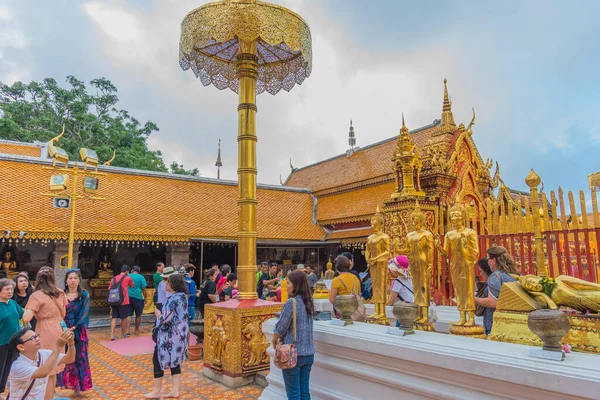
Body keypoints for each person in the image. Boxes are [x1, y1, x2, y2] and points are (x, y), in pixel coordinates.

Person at [22, 266, 68, 400]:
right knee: (53, 370)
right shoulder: (60, 292)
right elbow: (64, 313)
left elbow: (26, 318)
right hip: (59, 329)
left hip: (45, 330)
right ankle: (51, 396)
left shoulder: (36, 295)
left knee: (46, 368)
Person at [272, 271, 316, 400]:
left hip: (293, 354)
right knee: (304, 392)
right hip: (308, 353)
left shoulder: (292, 302)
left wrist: (274, 340)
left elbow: (281, 327)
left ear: (296, 285)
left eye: (288, 282)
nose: (286, 286)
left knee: (293, 393)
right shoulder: (308, 301)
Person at [144, 274, 189, 399]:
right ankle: (175, 390)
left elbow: (165, 319)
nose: (165, 284)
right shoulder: (183, 296)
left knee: (157, 360)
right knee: (175, 362)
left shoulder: (172, 299)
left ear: (173, 284)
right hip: (180, 335)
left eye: (168, 282)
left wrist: (158, 314)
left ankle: (157, 390)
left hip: (169, 337)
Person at [8, 329, 76, 400]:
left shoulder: (43, 354)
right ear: (21, 347)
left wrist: (71, 344)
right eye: (32, 338)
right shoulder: (17, 365)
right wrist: (58, 347)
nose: (37, 339)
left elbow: (69, 359)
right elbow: (42, 373)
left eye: (36, 336)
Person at [474, 246, 519, 335]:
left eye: (488, 259)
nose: (488, 262)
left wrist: (473, 299)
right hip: (513, 318)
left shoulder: (495, 276)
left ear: (494, 260)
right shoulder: (515, 273)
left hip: (495, 320)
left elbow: (493, 302)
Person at [63, 269, 92, 397]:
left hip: (79, 330)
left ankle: (79, 388)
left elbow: (84, 313)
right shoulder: (61, 295)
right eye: (70, 278)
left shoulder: (84, 295)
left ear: (79, 280)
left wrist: (74, 327)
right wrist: (64, 327)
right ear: (66, 280)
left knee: (79, 358)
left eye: (75, 278)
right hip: (63, 330)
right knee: (65, 358)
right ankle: (66, 384)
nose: (72, 280)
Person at [0, 278, 24, 395]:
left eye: (11, 289)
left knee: (12, 368)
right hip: (2, 343)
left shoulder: (13, 303)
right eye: (6, 289)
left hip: (14, 343)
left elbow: (22, 315)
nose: (9, 291)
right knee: (1, 370)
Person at [107, 265, 134, 341]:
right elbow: (132, 285)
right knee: (124, 318)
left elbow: (109, 289)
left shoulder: (113, 278)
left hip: (114, 300)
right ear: (126, 271)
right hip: (124, 301)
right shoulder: (128, 278)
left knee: (114, 317)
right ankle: (123, 333)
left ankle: (112, 334)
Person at [127, 265, 148, 336]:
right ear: (139, 271)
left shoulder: (128, 276)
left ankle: (128, 330)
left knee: (129, 314)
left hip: (128, 297)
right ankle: (136, 329)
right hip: (138, 297)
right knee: (138, 314)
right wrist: (145, 297)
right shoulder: (141, 277)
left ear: (132, 270)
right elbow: (144, 288)